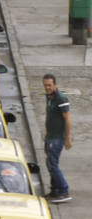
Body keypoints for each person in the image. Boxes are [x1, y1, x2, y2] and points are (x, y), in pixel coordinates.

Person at [44, 74, 72, 203]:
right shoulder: (49, 97)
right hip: (50, 136)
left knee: (53, 165)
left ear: (55, 84)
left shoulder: (61, 98)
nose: (47, 87)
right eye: (45, 85)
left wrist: (67, 138)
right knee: (50, 164)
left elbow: (67, 119)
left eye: (49, 85)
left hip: (57, 138)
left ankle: (64, 191)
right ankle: (55, 191)